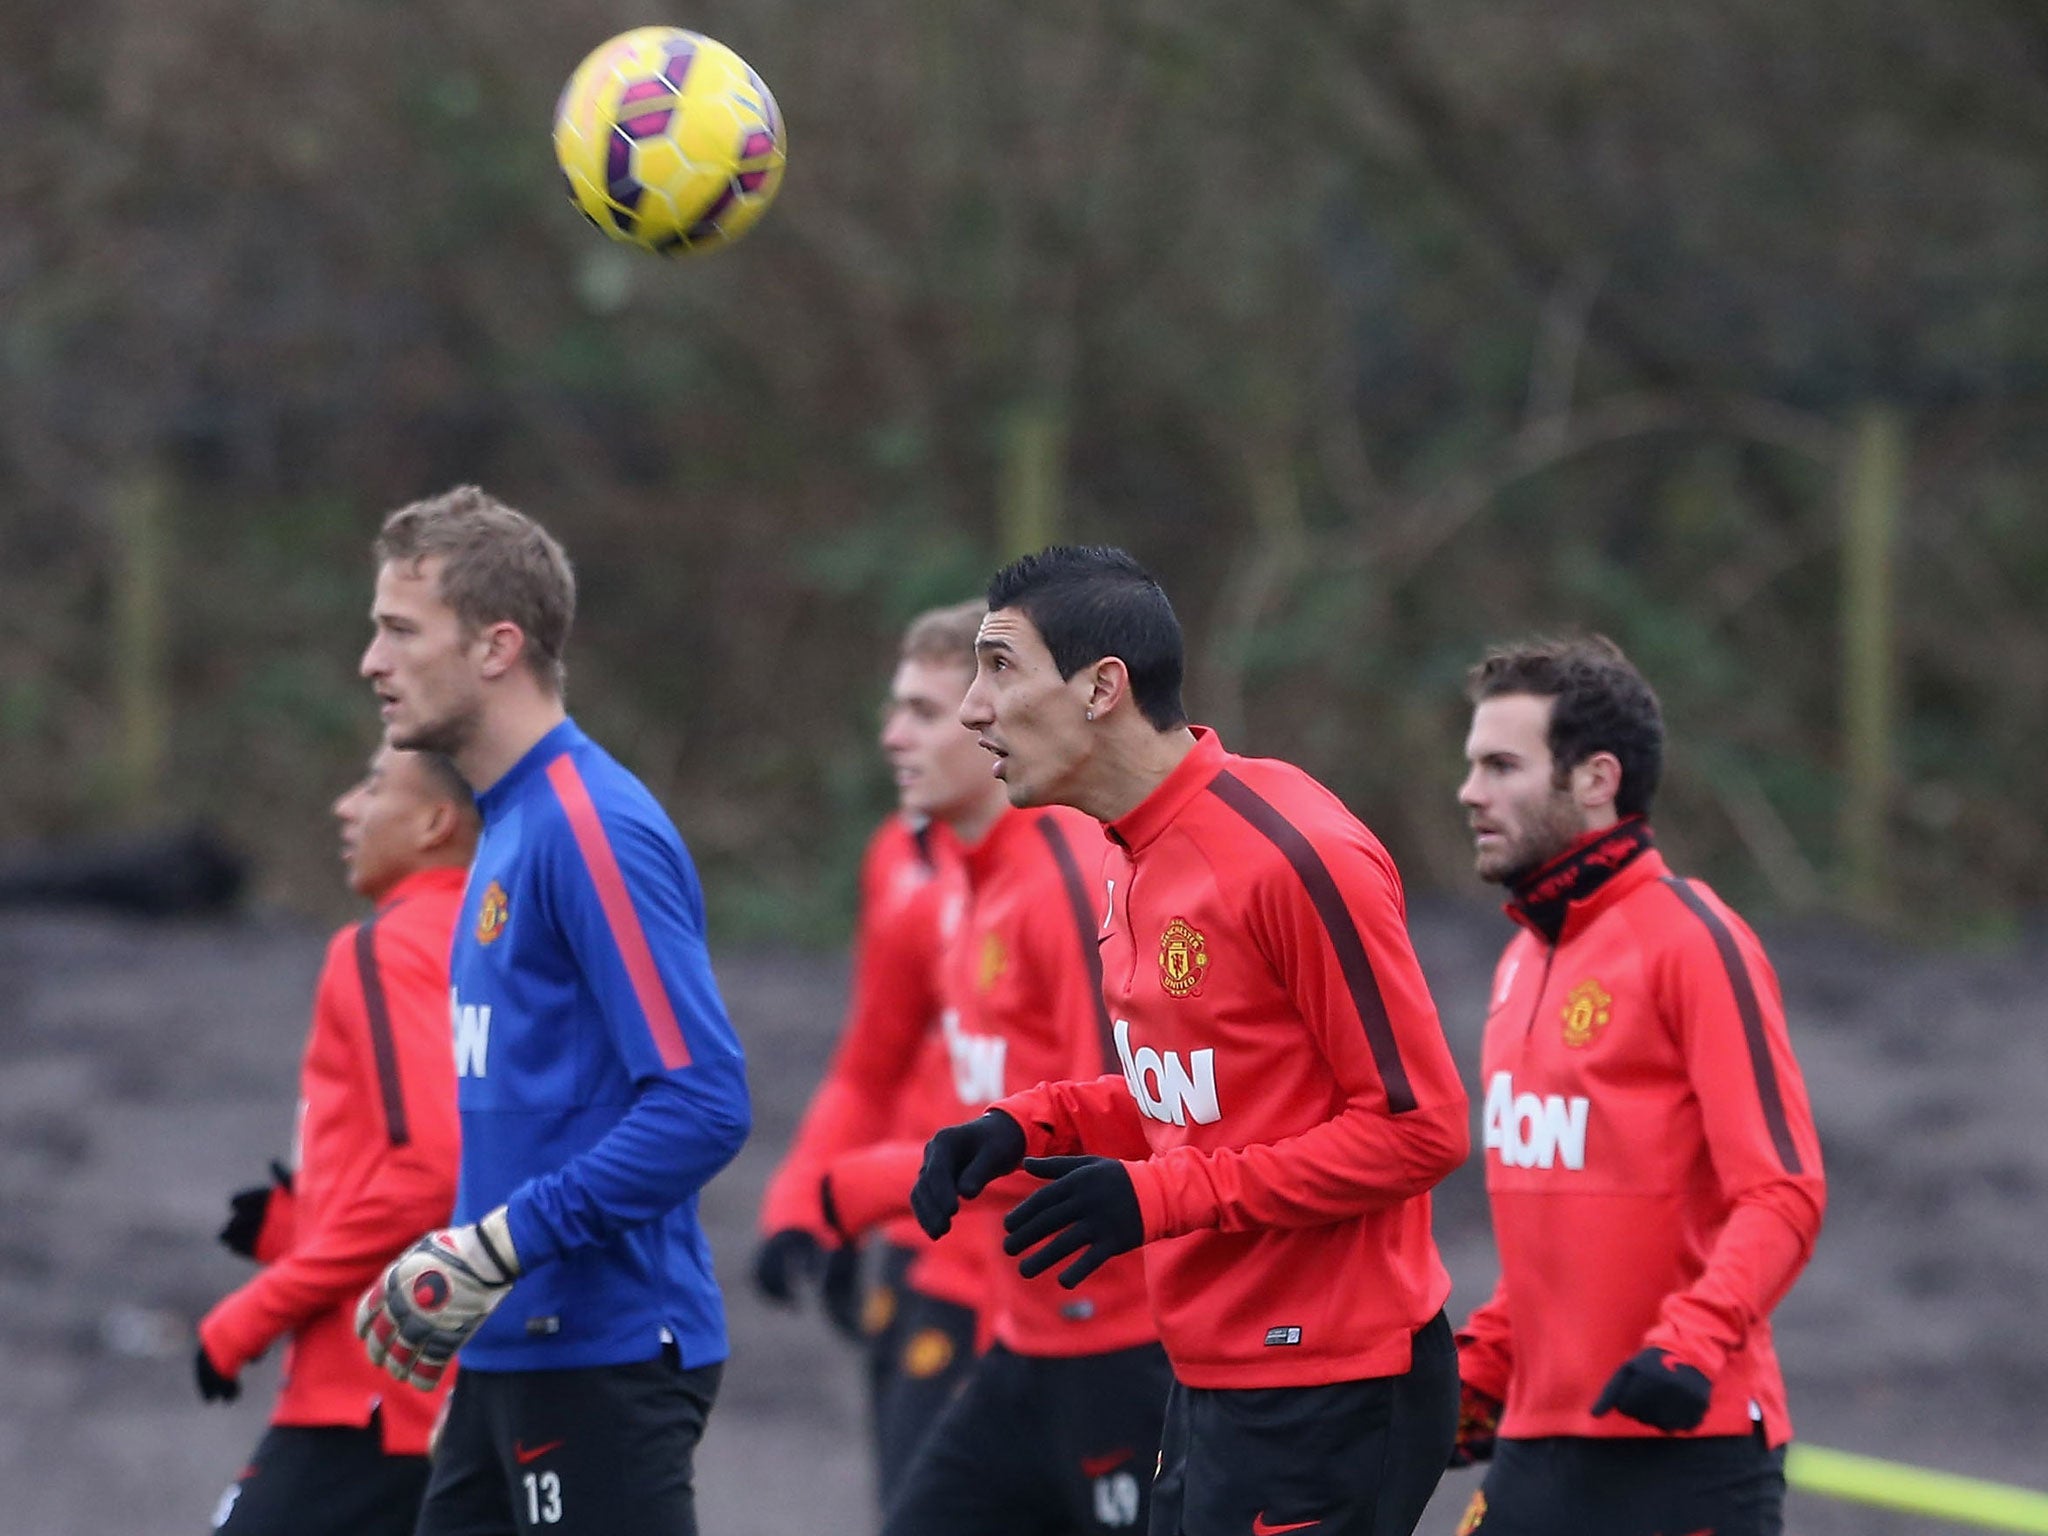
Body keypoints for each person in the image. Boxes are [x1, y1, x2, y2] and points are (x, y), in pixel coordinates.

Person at [913, 545, 1470, 1536]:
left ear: (1100, 688)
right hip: (1210, 1381)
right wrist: (1026, 1126)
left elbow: (1418, 1129)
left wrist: (1154, 1196)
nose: (970, 708)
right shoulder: (1128, 854)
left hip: (1331, 1384)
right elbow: (1206, 1089)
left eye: (998, 667)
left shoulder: (1289, 851)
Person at [352, 485, 752, 1536]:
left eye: (399, 631)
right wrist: (471, 1295)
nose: (371, 662)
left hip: (607, 1362)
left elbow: (703, 1105)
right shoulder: (510, 824)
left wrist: (492, 1247)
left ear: (496, 646)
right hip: (510, 1366)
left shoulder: (589, 826)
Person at [1444, 635, 1826, 1536]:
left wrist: (1689, 1346)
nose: (1470, 792)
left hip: (1687, 1446)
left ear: (1596, 779)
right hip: (1535, 1450)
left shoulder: (1695, 940)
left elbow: (1784, 1192)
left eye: (1501, 765)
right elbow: (1566, 1224)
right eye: (1471, 766)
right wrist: (1488, 1363)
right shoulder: (1517, 964)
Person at [819, 599, 1171, 1536]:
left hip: (1122, 1341)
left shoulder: (1065, 876)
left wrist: (862, 1189)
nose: (896, 737)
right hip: (1026, 1336)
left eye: (931, 711)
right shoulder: (966, 883)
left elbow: (1128, 1123)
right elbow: (897, 1071)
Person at [195, 744, 477, 1536]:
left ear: (433, 822)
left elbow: (430, 1170)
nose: (345, 807)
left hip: (373, 1394)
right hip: (471, 1386)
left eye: (374, 786)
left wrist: (251, 1313)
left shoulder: (382, 946)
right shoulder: (508, 942)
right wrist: (296, 1222)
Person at [751, 601, 992, 1507]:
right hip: (924, 1250)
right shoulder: (899, 860)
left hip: (1057, 1279)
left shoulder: (1085, 866)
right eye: (897, 709)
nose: (893, 738)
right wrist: (809, 1208)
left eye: (925, 714)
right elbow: (871, 1062)